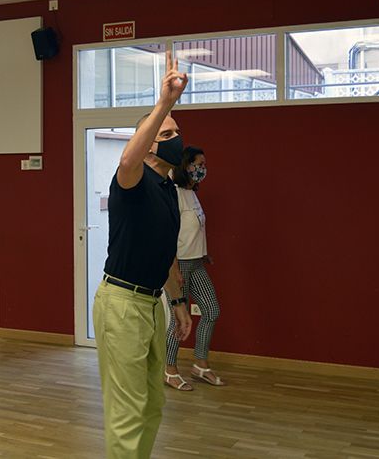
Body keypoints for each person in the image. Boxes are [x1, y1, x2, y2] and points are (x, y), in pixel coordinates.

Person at [93, 50, 193, 459]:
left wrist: (178, 301)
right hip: (121, 303)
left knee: (152, 404)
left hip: (152, 305)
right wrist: (163, 103)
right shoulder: (131, 183)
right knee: (127, 411)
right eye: (166, 134)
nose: (176, 139)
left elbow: (165, 254)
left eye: (176, 132)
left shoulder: (169, 190)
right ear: (147, 143)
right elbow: (127, 159)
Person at [164, 146, 224, 391]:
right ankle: (169, 370)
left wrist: (203, 252)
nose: (202, 169)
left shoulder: (191, 193)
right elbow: (168, 235)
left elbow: (193, 229)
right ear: (185, 166)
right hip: (178, 265)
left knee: (211, 310)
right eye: (198, 164)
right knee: (178, 321)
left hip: (196, 262)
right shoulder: (174, 194)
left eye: (204, 165)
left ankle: (200, 364)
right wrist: (174, 270)